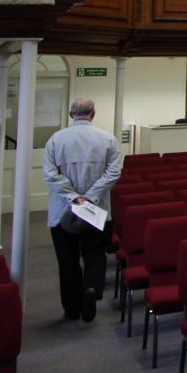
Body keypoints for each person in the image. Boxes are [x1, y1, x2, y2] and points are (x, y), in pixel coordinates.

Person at [42, 97, 124, 323]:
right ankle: (91, 288)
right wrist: (89, 198)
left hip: (63, 211)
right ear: (93, 114)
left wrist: (74, 197)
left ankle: (72, 308)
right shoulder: (107, 139)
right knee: (95, 253)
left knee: (67, 261)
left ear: (71, 115)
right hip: (96, 210)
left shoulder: (56, 140)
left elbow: (50, 175)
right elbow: (113, 173)